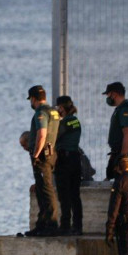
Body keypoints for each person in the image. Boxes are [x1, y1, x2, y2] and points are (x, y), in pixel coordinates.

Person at [25, 84, 61, 236]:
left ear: (33, 99)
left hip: (42, 157)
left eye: (30, 100)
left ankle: (51, 225)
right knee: (41, 189)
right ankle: (42, 224)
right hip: (51, 154)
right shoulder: (54, 111)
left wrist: (35, 155)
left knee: (46, 190)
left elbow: (41, 135)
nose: (31, 103)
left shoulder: (41, 112)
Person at [53, 95, 83, 235]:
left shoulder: (66, 122)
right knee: (75, 195)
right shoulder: (76, 121)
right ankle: (77, 226)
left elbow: (55, 137)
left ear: (62, 108)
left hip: (64, 161)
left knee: (64, 195)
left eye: (58, 107)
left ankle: (65, 226)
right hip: (75, 160)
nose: (57, 110)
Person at [103, 81, 128, 180]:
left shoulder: (125, 110)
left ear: (114, 94)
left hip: (124, 154)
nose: (107, 98)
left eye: (108, 95)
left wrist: (123, 157)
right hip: (117, 153)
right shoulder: (119, 110)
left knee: (122, 184)